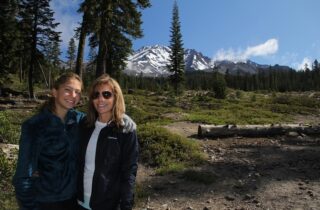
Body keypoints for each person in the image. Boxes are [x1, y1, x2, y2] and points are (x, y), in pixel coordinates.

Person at [13, 72, 85, 210]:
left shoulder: (80, 120)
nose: (73, 96)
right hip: (46, 202)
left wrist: (122, 118)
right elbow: (23, 177)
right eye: (68, 90)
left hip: (76, 201)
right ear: (54, 91)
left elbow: (104, 121)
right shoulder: (34, 125)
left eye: (78, 92)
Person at [77, 74, 138, 210]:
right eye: (95, 95)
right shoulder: (84, 125)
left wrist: (126, 205)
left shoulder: (125, 131)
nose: (100, 99)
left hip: (108, 204)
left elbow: (129, 172)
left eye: (106, 94)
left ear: (116, 97)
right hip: (80, 202)